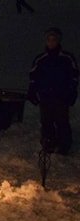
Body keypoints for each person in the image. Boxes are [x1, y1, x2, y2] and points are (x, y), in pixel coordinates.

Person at [27, 27, 78, 155]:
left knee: (61, 120)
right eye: (49, 40)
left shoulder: (67, 58)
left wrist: (72, 91)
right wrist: (32, 91)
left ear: (58, 41)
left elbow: (74, 76)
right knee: (46, 121)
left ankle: (64, 146)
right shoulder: (41, 59)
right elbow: (33, 77)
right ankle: (48, 143)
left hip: (61, 95)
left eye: (54, 39)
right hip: (45, 95)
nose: (51, 42)